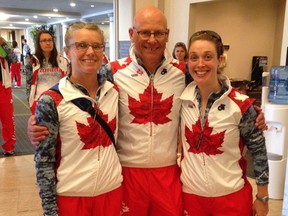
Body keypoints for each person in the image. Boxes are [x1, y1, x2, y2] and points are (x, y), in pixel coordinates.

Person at [27, 6, 267, 216]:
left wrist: (251, 110)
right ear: (132, 34)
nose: (152, 40)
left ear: (167, 36)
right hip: (126, 175)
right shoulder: (110, 72)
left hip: (168, 175)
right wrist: (37, 123)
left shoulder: (182, 72)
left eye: (159, 33)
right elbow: (75, 87)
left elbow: (211, 81)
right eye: (144, 32)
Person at [34, 21, 123, 216]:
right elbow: (44, 161)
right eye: (81, 45)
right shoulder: (52, 100)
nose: (90, 52)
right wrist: (50, 210)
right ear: (67, 51)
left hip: (112, 191)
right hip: (71, 196)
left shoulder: (114, 90)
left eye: (97, 46)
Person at [180, 30, 269, 216]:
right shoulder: (181, 99)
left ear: (220, 60)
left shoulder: (240, 104)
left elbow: (259, 152)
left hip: (231, 198)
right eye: (194, 57)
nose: (200, 64)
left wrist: (262, 197)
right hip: (191, 196)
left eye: (208, 57)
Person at [25, 30, 70, 113]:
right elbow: (28, 86)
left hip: (60, 103)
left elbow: (69, 82)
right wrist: (30, 103)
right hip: (39, 102)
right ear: (39, 43)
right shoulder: (32, 63)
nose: (48, 43)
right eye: (44, 40)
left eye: (50, 40)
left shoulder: (63, 61)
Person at [0, 36, 18, 156]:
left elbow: (14, 59)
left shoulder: (2, 45)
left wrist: (3, 44)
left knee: (7, 118)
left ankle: (9, 147)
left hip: (3, 87)